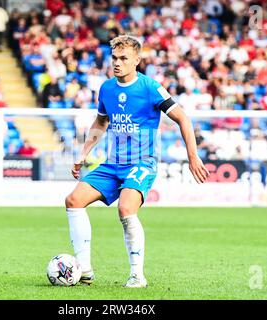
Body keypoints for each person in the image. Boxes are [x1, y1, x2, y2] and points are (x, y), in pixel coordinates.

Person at [65, 35, 209, 288]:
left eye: (123, 59)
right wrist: (83, 153)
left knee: (126, 208)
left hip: (142, 162)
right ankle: (84, 269)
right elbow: (101, 122)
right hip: (113, 163)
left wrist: (192, 156)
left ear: (137, 60)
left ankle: (137, 275)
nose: (117, 63)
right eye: (114, 58)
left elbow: (183, 118)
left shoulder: (150, 87)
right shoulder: (107, 88)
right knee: (74, 201)